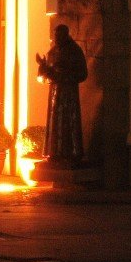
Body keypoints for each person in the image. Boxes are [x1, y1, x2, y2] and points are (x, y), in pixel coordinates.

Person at [36, 24, 87, 165]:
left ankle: (71, 154)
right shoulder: (52, 52)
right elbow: (43, 78)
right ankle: (54, 153)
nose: (56, 39)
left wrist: (65, 75)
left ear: (66, 35)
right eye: (55, 36)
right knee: (55, 123)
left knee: (69, 122)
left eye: (59, 36)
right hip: (55, 93)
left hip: (69, 93)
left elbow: (83, 74)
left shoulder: (75, 51)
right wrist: (43, 68)